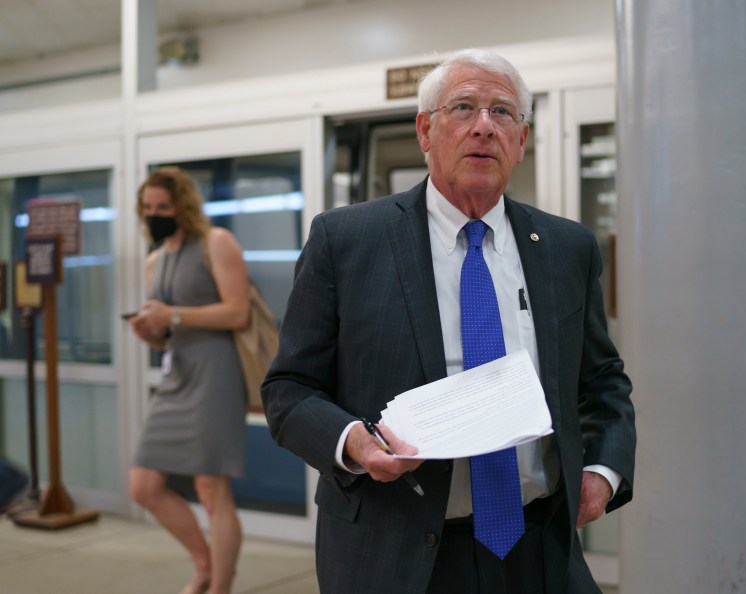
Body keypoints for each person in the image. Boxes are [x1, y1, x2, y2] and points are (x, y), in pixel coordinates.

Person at [262, 49, 636, 594]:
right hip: (395, 552)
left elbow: (602, 381)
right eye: (464, 108)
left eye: (503, 113)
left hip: (540, 549)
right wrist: (354, 443)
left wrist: (602, 473)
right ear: (424, 131)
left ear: (522, 140)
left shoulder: (566, 247)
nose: (484, 127)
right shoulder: (346, 242)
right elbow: (288, 390)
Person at [128, 166, 249, 594]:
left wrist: (174, 315)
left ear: (183, 206)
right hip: (177, 371)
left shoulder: (215, 243)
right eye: (147, 207)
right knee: (142, 486)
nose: (154, 213)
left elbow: (238, 312)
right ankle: (203, 561)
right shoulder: (154, 259)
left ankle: (219, 585)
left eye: (163, 206)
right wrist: (153, 333)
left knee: (212, 488)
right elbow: (167, 334)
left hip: (216, 371)